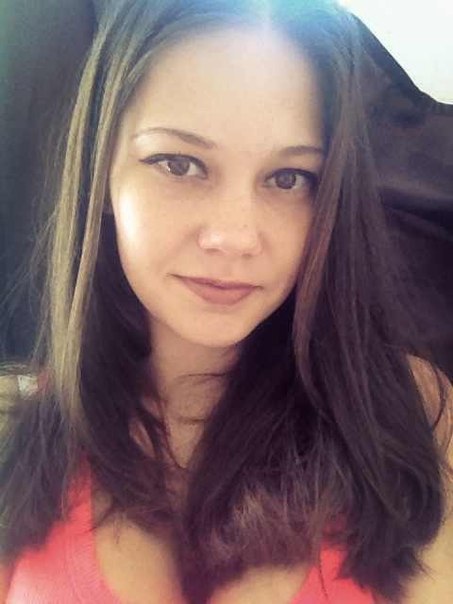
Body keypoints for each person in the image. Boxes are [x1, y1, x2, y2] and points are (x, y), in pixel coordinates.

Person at [0, 0, 452, 602]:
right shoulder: (21, 432)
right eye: (179, 164)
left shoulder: (410, 415)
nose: (235, 236)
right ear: (101, 171)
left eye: (289, 178)